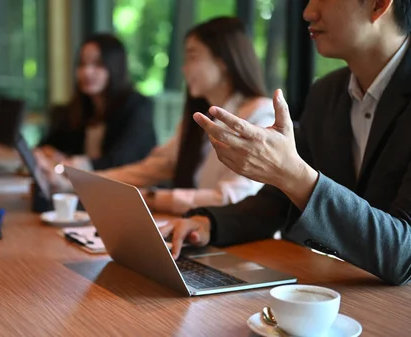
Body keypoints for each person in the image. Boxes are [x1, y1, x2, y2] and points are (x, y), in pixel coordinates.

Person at [162, 0, 411, 285]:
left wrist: (292, 173)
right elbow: (278, 203)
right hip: (334, 291)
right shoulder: (326, 92)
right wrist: (208, 223)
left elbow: (404, 254)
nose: (308, 12)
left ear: (378, 5)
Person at [43, 18, 276, 215]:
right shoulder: (200, 118)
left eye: (192, 57)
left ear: (224, 63)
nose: (184, 69)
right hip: (199, 229)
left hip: (240, 242)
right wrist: (88, 182)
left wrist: (154, 198)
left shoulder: (259, 114)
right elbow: (154, 167)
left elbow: (233, 198)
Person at [37, 33, 156, 172]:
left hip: (129, 188)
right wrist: (53, 155)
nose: (87, 72)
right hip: (83, 187)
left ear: (115, 67)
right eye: (82, 64)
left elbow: (123, 160)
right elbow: (48, 146)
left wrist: (75, 163)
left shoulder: (137, 106)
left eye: (98, 64)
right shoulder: (78, 107)